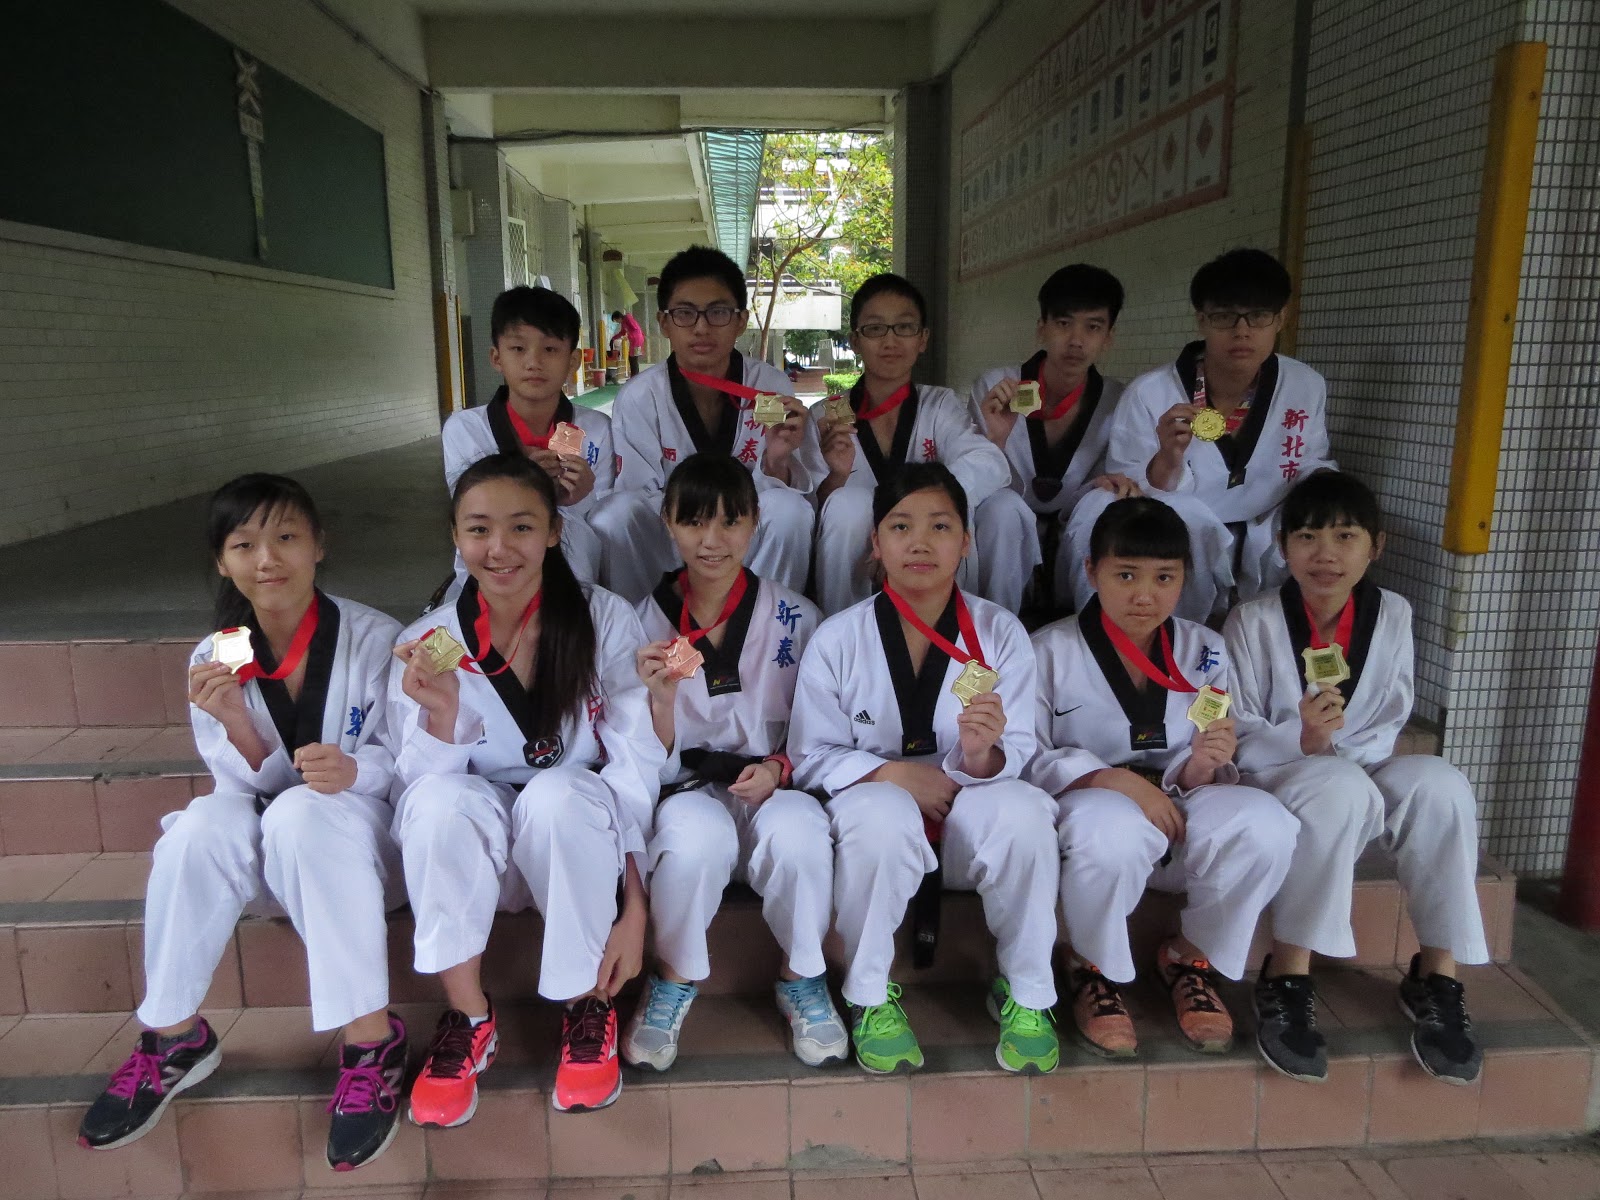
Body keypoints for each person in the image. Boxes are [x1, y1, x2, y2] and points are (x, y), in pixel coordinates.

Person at [78, 475, 407, 1172]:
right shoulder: (217, 654)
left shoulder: (377, 638)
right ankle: (173, 1036)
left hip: (362, 849)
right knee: (198, 826)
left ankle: (371, 1042)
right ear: (223, 563)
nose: (267, 559)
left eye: (286, 537)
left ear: (319, 546)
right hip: (275, 846)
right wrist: (236, 722)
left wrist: (357, 770)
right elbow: (240, 790)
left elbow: (410, 759)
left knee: (303, 814)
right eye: (244, 545)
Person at [389, 454, 665, 1119]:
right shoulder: (432, 641)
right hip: (482, 844)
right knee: (437, 801)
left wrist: (634, 905)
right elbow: (417, 795)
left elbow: (633, 764)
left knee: (558, 792)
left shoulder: (603, 619)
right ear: (456, 537)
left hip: (575, 844)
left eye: (521, 527)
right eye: (478, 529)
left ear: (553, 531)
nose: (499, 548)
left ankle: (586, 1005)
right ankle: (468, 1017)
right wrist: (443, 714)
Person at [790, 463, 1061, 1075]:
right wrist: (893, 775)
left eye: (940, 526)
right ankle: (867, 994)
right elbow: (810, 754)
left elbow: (1020, 749)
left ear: (966, 542)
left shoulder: (999, 632)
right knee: (882, 814)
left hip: (968, 811)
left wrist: (980, 755)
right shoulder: (838, 638)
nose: (919, 542)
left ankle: (1027, 992)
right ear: (875, 543)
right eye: (900, 526)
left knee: (1025, 813)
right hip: (876, 818)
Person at [1224, 471, 1489, 1085]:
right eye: (1307, 537)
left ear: (1376, 546)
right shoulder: (1251, 620)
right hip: (1281, 772)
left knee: (1441, 784)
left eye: (1345, 536)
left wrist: (1338, 748)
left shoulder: (1392, 613)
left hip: (1360, 765)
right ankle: (1288, 974)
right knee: (1338, 789)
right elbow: (1239, 725)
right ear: (1282, 546)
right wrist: (1305, 741)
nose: (1325, 554)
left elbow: (1394, 711)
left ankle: (1437, 975)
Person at [1027, 497, 1298, 1059]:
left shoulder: (1205, 651)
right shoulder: (1049, 650)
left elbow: (1209, 749)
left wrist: (1203, 765)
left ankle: (1190, 956)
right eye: (1126, 575)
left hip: (1179, 794)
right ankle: (1090, 967)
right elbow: (1029, 754)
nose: (1144, 595)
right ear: (1091, 571)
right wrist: (1117, 782)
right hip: (1090, 799)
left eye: (1164, 577)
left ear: (1185, 578)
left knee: (1267, 825)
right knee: (1113, 831)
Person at [622, 453, 846, 1071]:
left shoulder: (798, 616)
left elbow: (821, 727)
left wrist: (780, 768)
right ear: (667, 522)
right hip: (688, 785)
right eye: (694, 521)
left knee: (801, 836)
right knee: (692, 844)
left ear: (755, 522)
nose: (712, 540)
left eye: (730, 521)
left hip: (776, 781)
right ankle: (672, 979)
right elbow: (632, 748)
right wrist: (660, 702)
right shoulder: (641, 622)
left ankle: (801, 977)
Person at [1086, 249, 1335, 620]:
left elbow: (1311, 461)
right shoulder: (1150, 392)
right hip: (1181, 527)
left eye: (1258, 316)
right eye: (1224, 317)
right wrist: (1167, 459)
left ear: (1281, 319)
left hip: (1268, 524)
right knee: (1102, 507)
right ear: (1201, 320)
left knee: (1336, 516)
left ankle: (1297, 634)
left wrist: (1328, 486)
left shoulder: (1305, 384)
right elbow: (1127, 487)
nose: (1242, 331)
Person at [594, 246, 822, 602]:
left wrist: (777, 461)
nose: (701, 328)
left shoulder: (770, 384)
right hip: (673, 531)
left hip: (744, 528)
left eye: (718, 312)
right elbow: (637, 491)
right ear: (664, 323)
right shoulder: (640, 395)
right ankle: (643, 623)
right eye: (685, 313)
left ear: (741, 320)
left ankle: (769, 621)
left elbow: (787, 489)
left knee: (791, 512)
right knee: (616, 515)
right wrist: (697, 522)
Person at [812, 273, 1017, 615]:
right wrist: (835, 477)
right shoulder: (828, 414)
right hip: (856, 555)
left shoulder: (940, 405)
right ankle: (841, 629)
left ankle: (969, 627)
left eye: (904, 327)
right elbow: (809, 506)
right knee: (847, 503)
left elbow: (985, 461)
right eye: (875, 328)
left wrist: (909, 523)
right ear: (855, 341)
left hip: (928, 539)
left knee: (974, 503)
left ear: (923, 339)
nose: (890, 340)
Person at [970, 263, 1139, 614]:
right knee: (1003, 508)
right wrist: (995, 440)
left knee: (1103, 502)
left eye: (1093, 327)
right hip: (1003, 531)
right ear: (1041, 328)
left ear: (1109, 337)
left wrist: (1110, 483)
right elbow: (972, 481)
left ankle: (1091, 628)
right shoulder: (996, 388)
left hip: (1075, 528)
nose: (1076, 340)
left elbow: (1120, 475)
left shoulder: (1118, 400)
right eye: (1063, 324)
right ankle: (995, 628)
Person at [443, 286, 612, 586]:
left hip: (576, 568)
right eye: (518, 349)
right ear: (496, 358)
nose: (534, 362)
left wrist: (581, 498)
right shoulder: (465, 428)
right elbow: (471, 513)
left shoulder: (596, 428)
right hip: (491, 566)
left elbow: (604, 519)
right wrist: (526, 482)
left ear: (573, 361)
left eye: (550, 349)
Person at [611, 308, 646, 378]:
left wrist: (629, 335)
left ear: (618, 317)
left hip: (637, 340)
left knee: (634, 359)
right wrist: (613, 338)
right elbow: (622, 333)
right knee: (631, 358)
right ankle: (634, 376)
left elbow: (635, 327)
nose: (617, 322)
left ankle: (635, 377)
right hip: (633, 341)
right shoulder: (623, 322)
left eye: (616, 320)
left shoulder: (627, 318)